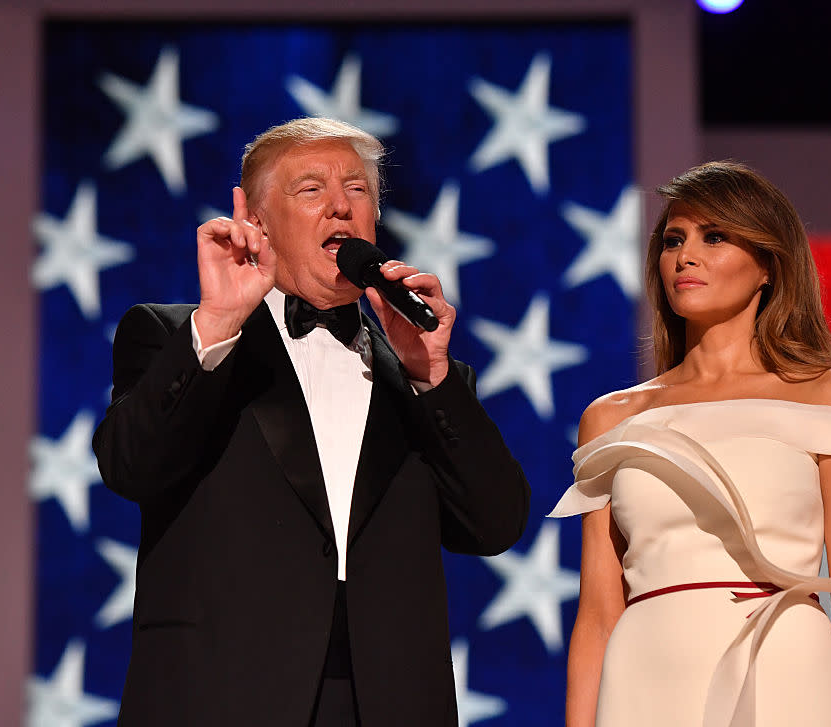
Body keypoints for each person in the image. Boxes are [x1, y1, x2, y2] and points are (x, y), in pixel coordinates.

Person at [92, 117, 530, 727]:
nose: (340, 209)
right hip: (224, 693)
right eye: (310, 190)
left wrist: (433, 379)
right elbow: (129, 467)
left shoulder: (419, 374)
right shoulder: (177, 337)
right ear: (255, 218)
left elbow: (496, 525)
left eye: (358, 191)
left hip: (391, 700)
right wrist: (217, 326)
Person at [553, 161, 831, 727]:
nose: (685, 255)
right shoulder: (611, 415)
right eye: (673, 240)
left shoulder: (828, 394)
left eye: (714, 237)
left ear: (767, 265)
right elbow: (598, 613)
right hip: (644, 678)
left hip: (787, 670)